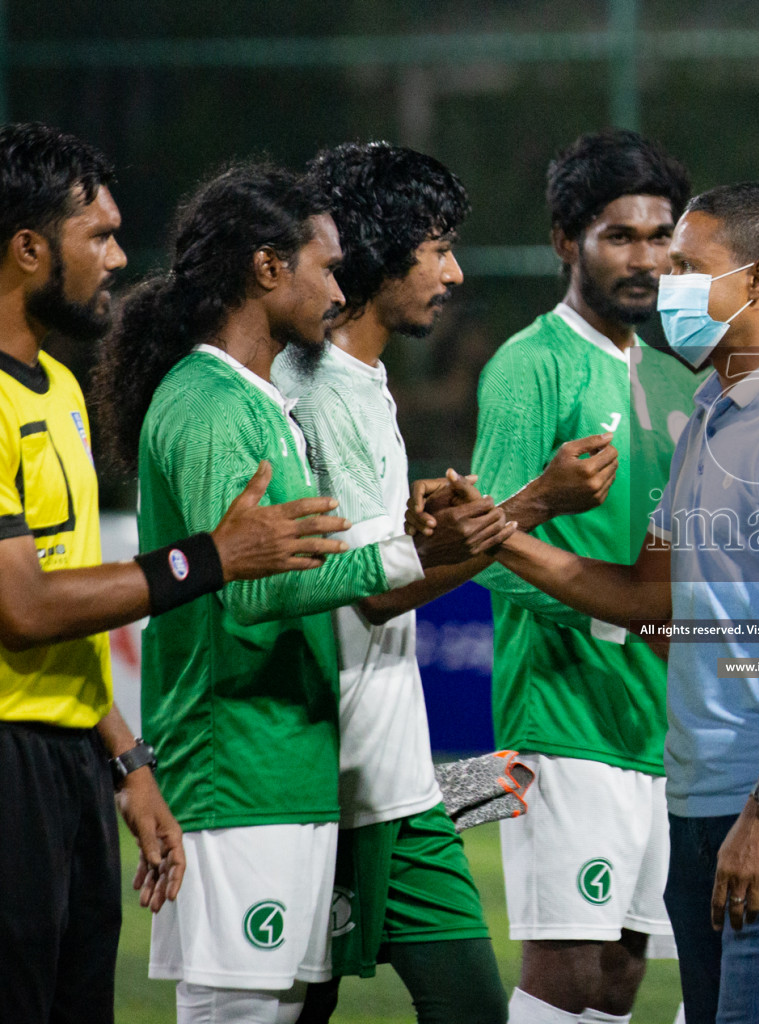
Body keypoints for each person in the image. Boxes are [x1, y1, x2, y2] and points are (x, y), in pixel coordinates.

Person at [93, 161, 510, 1024]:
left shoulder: (254, 400)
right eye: (325, 265)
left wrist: (403, 535)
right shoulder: (210, 404)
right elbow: (249, 590)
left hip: (289, 771)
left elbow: (296, 565)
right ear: (267, 268)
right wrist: (409, 553)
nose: (338, 283)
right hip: (235, 773)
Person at [494, 181, 759, 1024]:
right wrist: (498, 534)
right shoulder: (710, 414)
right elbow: (648, 601)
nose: (662, 283)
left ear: (751, 284)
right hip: (705, 799)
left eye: (685, 266)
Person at [0, 122, 357, 1024]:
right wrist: (214, 556)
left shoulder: (54, 389)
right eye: (100, 236)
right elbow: (27, 609)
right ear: (29, 247)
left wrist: (127, 760)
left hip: (69, 759)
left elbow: (63, 607)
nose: (120, 258)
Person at [276, 142, 610, 1024]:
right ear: (379, 249)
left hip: (402, 787)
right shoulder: (313, 389)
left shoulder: (364, 380)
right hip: (327, 786)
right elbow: (374, 591)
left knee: (470, 1010)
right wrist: (536, 500)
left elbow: (388, 561)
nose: (455, 271)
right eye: (438, 247)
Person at [468, 128, 698, 1024]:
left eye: (660, 235)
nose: (645, 257)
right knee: (566, 965)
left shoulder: (676, 384)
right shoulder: (532, 366)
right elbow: (482, 543)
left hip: (655, 719)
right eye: (619, 236)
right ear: (568, 242)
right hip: (562, 714)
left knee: (624, 972)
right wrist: (617, 610)